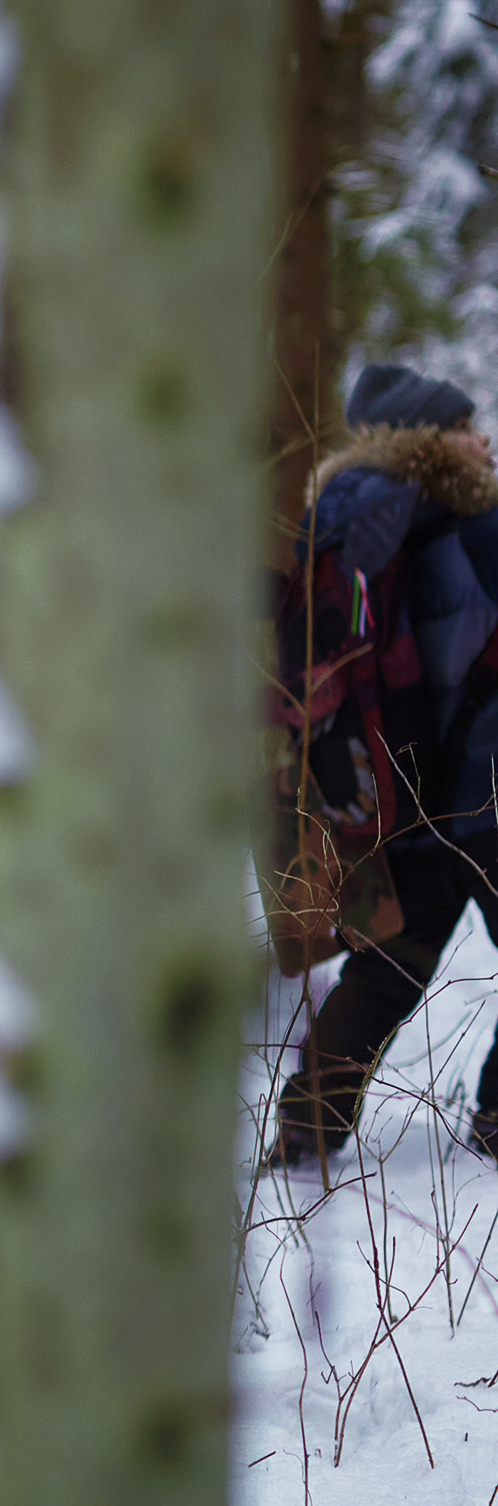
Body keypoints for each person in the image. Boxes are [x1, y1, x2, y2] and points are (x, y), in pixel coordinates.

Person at [270, 363, 498, 1170]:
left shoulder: (347, 522)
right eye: (465, 427)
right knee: (393, 962)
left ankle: (308, 1128)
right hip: (483, 782)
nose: (483, 439)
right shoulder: (468, 523)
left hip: (396, 792)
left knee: (389, 964)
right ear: (427, 439)